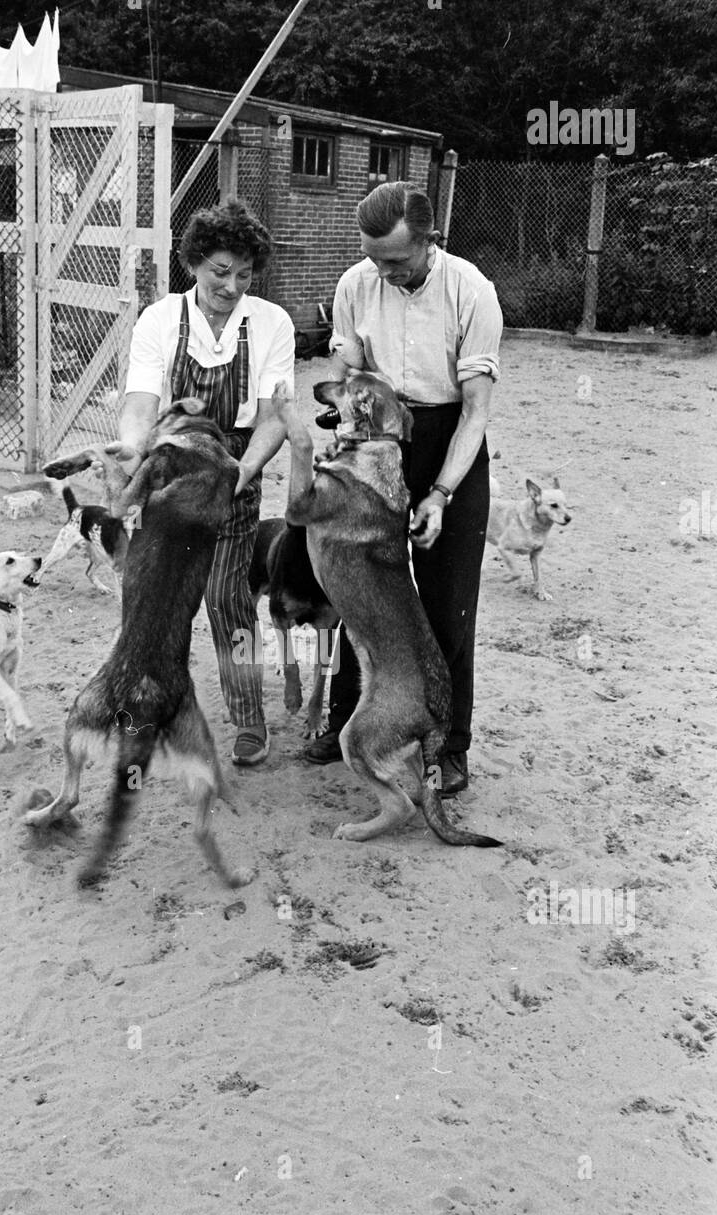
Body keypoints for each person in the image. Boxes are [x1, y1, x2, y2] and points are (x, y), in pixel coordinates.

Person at [307, 181, 503, 795]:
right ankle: (350, 722)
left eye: (395, 260)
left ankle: (448, 747)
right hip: (379, 434)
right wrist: (342, 413)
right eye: (372, 258)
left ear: (429, 241)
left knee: (447, 605)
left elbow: (475, 411)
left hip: (448, 437)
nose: (382, 271)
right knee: (359, 585)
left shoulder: (471, 292)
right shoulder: (356, 284)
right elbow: (346, 361)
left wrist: (440, 493)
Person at [115, 198, 294, 766]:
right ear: (194, 262)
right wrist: (135, 458)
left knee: (226, 597)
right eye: (221, 271)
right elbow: (141, 402)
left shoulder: (272, 324)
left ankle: (247, 718)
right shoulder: (160, 319)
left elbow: (272, 417)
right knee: (150, 601)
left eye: (244, 275)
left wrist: (241, 473)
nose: (232, 285)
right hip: (171, 470)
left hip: (233, 469)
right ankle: (140, 710)